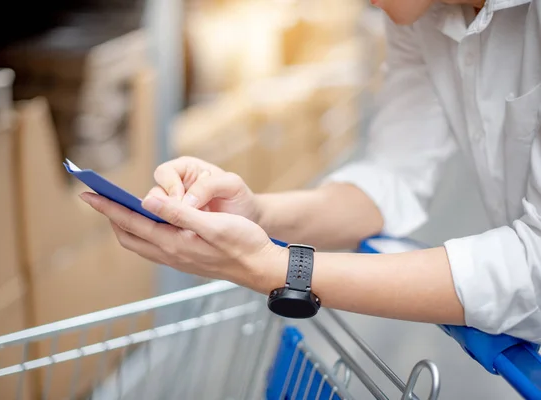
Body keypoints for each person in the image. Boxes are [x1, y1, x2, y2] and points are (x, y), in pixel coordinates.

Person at [80, 0, 541, 344]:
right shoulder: (420, 15)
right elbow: (392, 178)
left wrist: (276, 269)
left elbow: (533, 267)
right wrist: (255, 212)